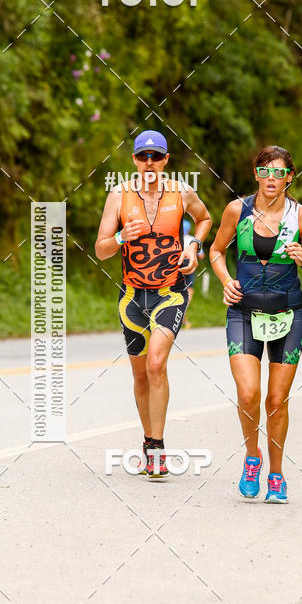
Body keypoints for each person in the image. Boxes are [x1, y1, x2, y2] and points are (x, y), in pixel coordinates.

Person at [210, 145, 302, 504]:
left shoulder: (301, 216)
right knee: (248, 393)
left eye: (279, 172)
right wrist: (225, 280)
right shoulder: (237, 210)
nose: (271, 179)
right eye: (264, 171)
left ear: (290, 177)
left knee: (276, 400)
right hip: (243, 312)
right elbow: (216, 250)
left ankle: (276, 474)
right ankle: (252, 457)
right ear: (256, 175)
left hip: (289, 315)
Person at [95, 129, 212, 478]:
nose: (149, 163)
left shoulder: (181, 192)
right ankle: (148, 440)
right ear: (133, 160)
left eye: (155, 157)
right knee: (140, 375)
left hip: (170, 292)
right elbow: (101, 250)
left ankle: (158, 447)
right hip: (132, 296)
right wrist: (119, 237)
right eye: (142, 157)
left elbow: (204, 218)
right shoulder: (118, 196)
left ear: (165, 161)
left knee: (156, 364)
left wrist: (194, 247)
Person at [181, 218, 205, 328]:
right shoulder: (193, 240)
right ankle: (184, 307)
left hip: (177, 263)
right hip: (189, 263)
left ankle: (180, 314)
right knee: (189, 288)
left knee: (177, 289)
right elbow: (201, 255)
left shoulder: (176, 239)